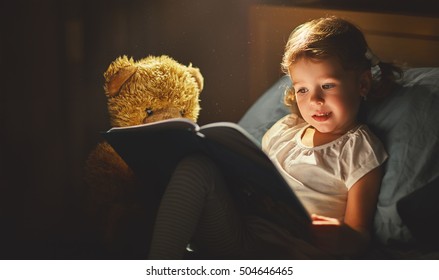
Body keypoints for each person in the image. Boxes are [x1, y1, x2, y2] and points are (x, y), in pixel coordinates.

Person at [148, 16, 401, 259]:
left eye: (327, 85)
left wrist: (341, 236)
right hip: (245, 238)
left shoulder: (359, 147)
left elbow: (359, 235)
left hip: (296, 254)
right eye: (302, 89)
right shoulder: (284, 131)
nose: (314, 100)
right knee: (196, 167)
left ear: (362, 84)